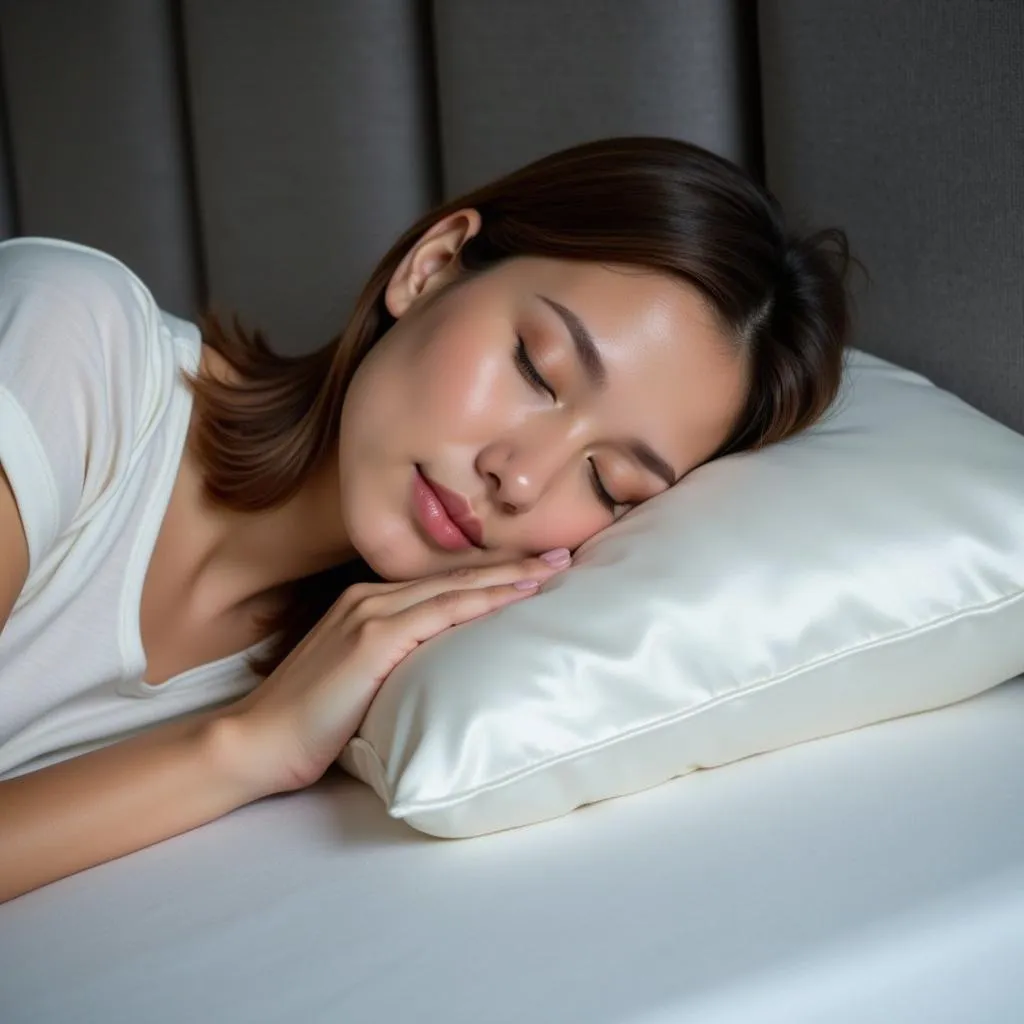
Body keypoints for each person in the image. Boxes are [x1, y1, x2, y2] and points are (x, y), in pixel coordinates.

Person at [0, 136, 852, 901]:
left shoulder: (351, 679)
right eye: (535, 368)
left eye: (609, 482)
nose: (518, 477)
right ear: (434, 265)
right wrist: (236, 750)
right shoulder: (74, 346)